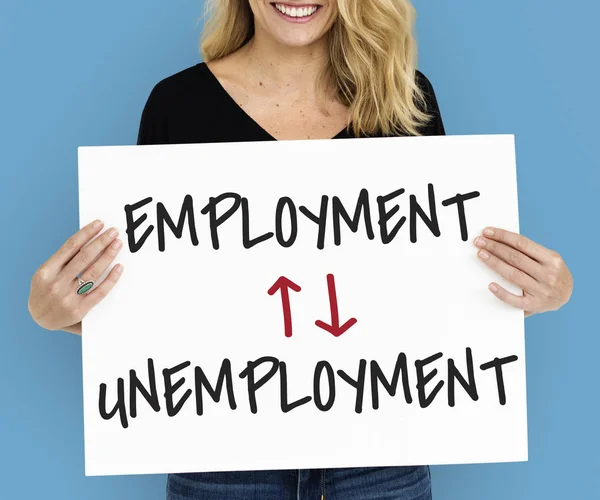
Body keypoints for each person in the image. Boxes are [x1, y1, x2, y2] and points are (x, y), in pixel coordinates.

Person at [27, 0, 574, 498]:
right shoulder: (177, 105)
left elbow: (439, 288)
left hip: (381, 462)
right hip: (221, 467)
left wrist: (550, 290)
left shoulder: (406, 101)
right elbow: (154, 303)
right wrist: (61, 311)